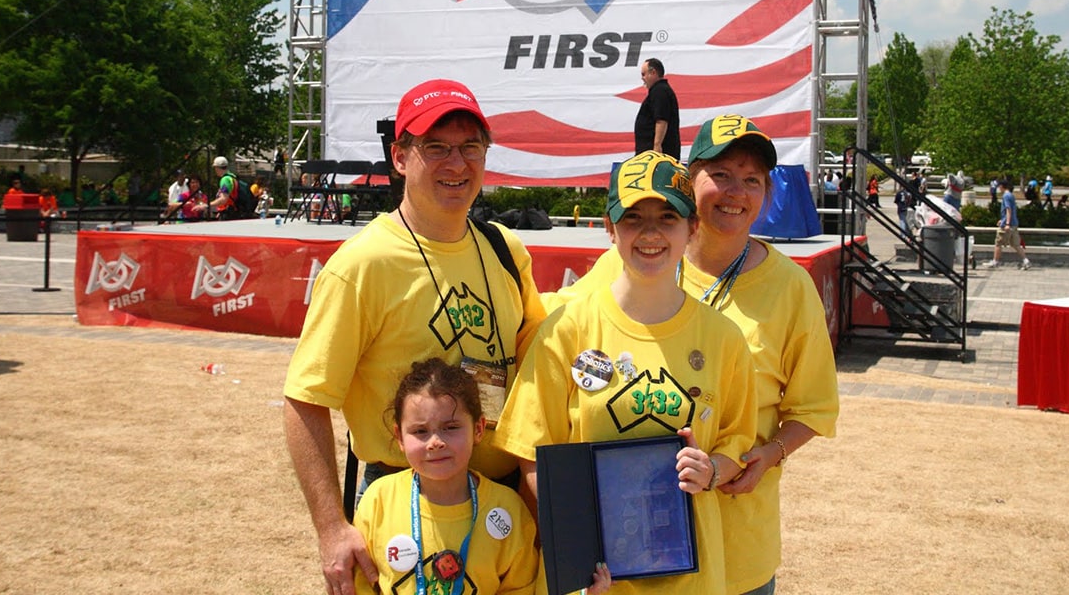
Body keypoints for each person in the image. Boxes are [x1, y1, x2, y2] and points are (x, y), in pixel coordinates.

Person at [537, 116, 839, 595]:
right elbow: (560, 327)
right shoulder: (631, 259)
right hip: (625, 549)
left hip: (737, 536)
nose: (735, 192)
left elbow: (813, 405)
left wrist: (768, 454)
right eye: (720, 174)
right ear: (689, 178)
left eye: (752, 180)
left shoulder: (791, 288)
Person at [283, 79, 547, 595]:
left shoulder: (504, 249)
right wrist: (331, 527)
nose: (457, 163)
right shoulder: (362, 265)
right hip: (403, 503)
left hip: (503, 505)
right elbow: (304, 400)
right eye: (436, 147)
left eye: (471, 147)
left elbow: (537, 367)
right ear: (400, 157)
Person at [497, 150, 759, 595]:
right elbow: (534, 456)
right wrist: (587, 541)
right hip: (593, 580)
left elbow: (737, 440)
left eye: (667, 217)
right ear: (609, 228)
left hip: (690, 579)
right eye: (634, 218)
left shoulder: (723, 338)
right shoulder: (566, 331)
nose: (651, 233)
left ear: (692, 227)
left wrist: (710, 470)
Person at [351, 358, 591, 595]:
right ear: (400, 437)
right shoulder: (378, 500)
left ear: (478, 429)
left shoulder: (507, 509)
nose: (435, 442)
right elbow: (362, 584)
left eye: (451, 427)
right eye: (420, 431)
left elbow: (520, 588)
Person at [633, 57, 681, 160]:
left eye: (644, 74)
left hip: (656, 155)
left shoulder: (660, 91)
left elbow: (661, 120)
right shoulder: (658, 91)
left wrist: (657, 146)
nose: (642, 78)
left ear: (653, 72)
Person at [983, 178, 1031, 270]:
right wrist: (1003, 220)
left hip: (1008, 225)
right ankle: (1026, 261)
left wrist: (1007, 223)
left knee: (998, 243)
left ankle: (995, 262)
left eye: (999, 187)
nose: (998, 189)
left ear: (1001, 186)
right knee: (1015, 245)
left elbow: (1008, 210)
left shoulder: (1006, 196)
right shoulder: (1011, 195)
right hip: (1014, 223)